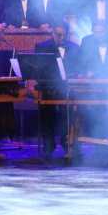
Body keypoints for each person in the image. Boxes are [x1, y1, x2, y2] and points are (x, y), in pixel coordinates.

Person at [35, 25, 80, 157]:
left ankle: (67, 142)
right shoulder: (42, 47)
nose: (61, 37)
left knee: (69, 112)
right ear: (52, 33)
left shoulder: (75, 48)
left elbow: (81, 66)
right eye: (58, 34)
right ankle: (48, 143)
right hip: (49, 87)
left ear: (67, 34)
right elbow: (39, 70)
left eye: (63, 35)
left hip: (69, 87)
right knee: (46, 111)